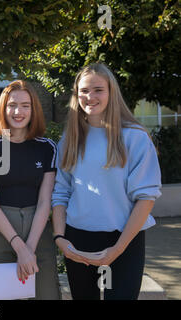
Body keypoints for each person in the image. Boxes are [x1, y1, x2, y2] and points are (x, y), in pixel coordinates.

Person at [51, 63, 162, 300]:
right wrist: (60, 239)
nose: (89, 97)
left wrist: (118, 249)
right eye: (83, 91)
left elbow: (146, 198)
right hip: (77, 241)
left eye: (98, 90)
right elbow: (60, 193)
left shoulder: (135, 137)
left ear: (111, 93)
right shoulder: (69, 140)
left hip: (123, 241)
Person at [0, 80, 61, 299]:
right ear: (3, 109)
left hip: (38, 230)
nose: (18, 111)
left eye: (25, 105)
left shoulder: (47, 148)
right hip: (0, 230)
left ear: (34, 109)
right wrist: (19, 248)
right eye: (12, 105)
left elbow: (45, 202)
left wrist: (29, 248)